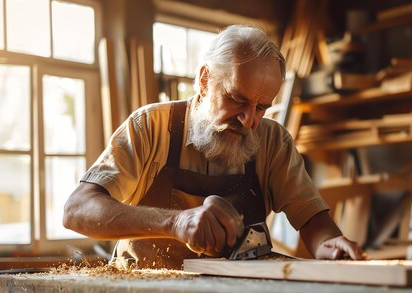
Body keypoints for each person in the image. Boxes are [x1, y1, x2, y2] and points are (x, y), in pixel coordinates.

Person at [63, 24, 363, 271]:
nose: (248, 121)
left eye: (261, 107)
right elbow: (77, 210)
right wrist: (176, 222)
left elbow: (313, 221)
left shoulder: (273, 142)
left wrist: (328, 244)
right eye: (237, 100)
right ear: (205, 81)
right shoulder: (151, 127)